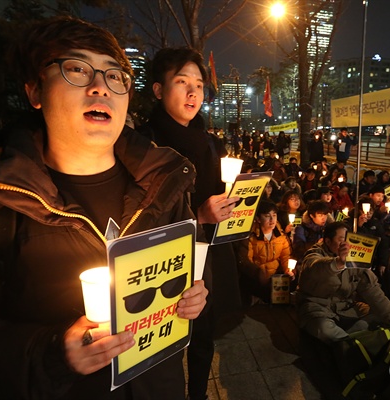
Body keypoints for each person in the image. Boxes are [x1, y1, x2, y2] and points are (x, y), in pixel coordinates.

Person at [0, 17, 208, 399]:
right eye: (76, 69)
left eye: (115, 77)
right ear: (35, 91)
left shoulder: (166, 181)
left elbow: (182, 270)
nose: (99, 87)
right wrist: (54, 353)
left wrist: (190, 294)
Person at [142, 46, 241, 400]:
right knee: (164, 342)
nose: (192, 92)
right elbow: (142, 215)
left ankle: (197, 394)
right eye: (181, 82)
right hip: (162, 261)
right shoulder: (144, 144)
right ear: (158, 90)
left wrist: (236, 201)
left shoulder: (209, 143)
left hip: (205, 253)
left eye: (198, 85)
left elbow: (216, 195)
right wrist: (198, 215)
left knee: (203, 336)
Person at [296, 222, 390, 344]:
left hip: (346, 308)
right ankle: (350, 345)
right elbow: (314, 268)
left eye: (348, 239)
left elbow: (375, 294)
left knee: (383, 319)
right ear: (328, 241)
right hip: (317, 307)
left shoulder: (355, 259)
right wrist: (337, 263)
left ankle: (349, 341)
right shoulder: (315, 254)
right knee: (324, 329)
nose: (346, 244)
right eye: (341, 240)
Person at [237, 201, 292, 303]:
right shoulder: (251, 237)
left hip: (276, 278)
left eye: (274, 215)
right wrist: (259, 274)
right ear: (258, 219)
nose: (272, 220)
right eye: (267, 216)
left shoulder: (281, 236)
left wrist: (288, 270)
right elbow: (245, 261)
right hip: (257, 280)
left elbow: (286, 257)